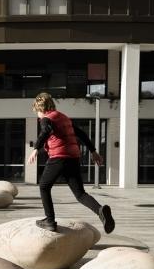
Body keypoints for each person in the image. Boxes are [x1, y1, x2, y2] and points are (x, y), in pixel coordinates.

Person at [27, 92, 114, 234]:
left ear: (40, 108)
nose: (37, 115)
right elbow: (82, 134)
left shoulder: (47, 119)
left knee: (44, 186)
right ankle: (100, 211)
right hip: (73, 158)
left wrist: (35, 149)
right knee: (80, 194)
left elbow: (45, 131)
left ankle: (49, 220)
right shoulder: (64, 117)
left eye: (37, 112)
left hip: (58, 157)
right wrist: (93, 151)